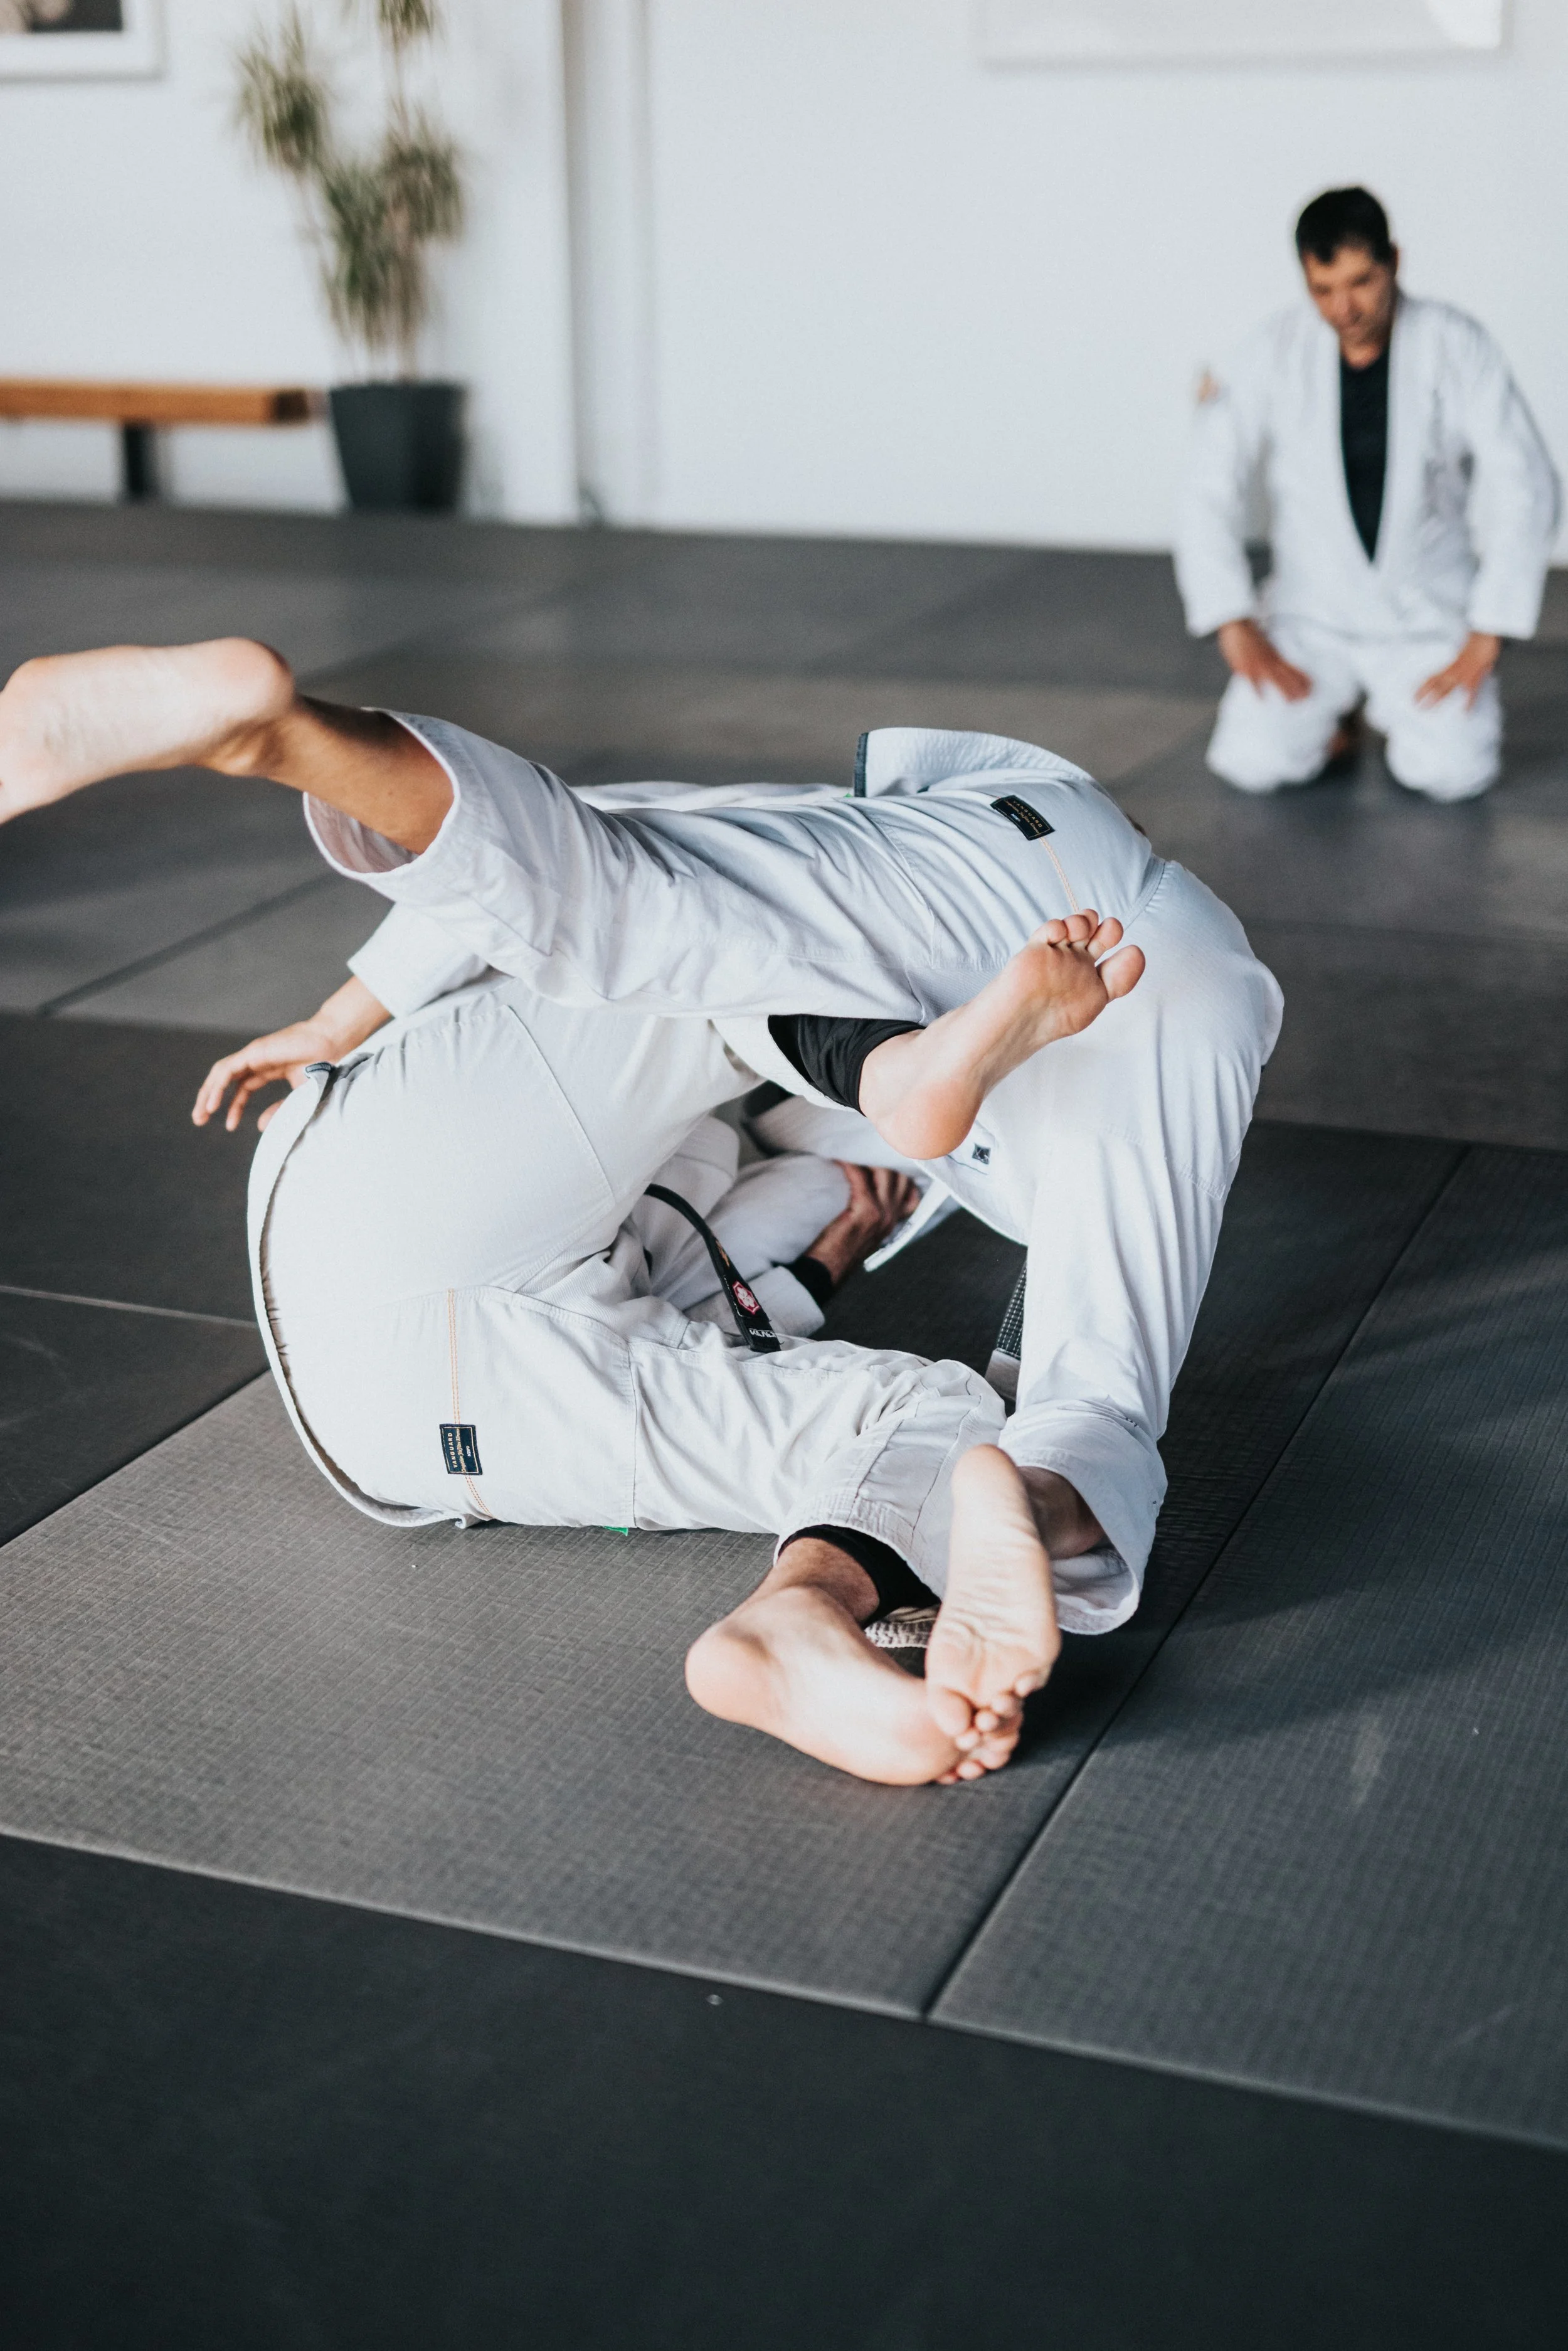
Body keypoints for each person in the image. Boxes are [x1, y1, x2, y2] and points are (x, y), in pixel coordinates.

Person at [0, 637, 1280, 1785]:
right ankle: (966, 1487)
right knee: (1080, 1389)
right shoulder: (1018, 930)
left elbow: (603, 854)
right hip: (404, 1389)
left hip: (417, 1346)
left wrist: (346, 1014)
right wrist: (347, 1015)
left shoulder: (870, 921)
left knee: (665, 935)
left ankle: (803, 1611)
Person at [1177, 184, 1560, 803]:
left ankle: (1388, 710)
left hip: (1422, 614)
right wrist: (1231, 619)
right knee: (1253, 760)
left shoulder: (1454, 343)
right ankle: (1340, 720)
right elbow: (1208, 483)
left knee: (1451, 772)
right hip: (1311, 615)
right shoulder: (1273, 348)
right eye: (1323, 289)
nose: (1343, 307)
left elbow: (1525, 480)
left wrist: (1489, 631)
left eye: (1360, 283)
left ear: (1394, 262)